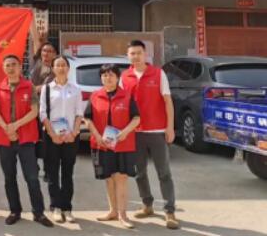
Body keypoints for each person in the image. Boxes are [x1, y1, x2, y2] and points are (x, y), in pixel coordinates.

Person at [121, 40, 179, 230]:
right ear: (128, 56)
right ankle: (147, 205)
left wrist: (170, 128)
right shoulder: (125, 77)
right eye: (132, 53)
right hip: (135, 133)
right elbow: (123, 106)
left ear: (145, 54)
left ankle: (170, 211)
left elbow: (168, 102)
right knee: (139, 173)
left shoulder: (158, 74)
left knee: (164, 173)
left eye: (139, 53)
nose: (136, 56)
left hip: (157, 131)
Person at [0, 55, 53, 227]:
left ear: (20, 67)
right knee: (9, 177)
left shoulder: (29, 87)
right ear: (3, 68)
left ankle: (38, 213)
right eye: (8, 65)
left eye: (14, 65)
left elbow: (34, 111)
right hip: (5, 139)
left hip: (26, 139)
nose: (11, 68)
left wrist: (15, 126)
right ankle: (15, 211)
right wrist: (7, 128)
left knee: (32, 177)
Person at [85, 64, 140, 229]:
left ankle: (123, 214)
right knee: (108, 178)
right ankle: (112, 211)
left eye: (111, 75)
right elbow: (87, 118)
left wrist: (125, 132)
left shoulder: (127, 96)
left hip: (123, 144)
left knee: (121, 178)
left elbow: (136, 118)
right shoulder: (95, 96)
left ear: (117, 77)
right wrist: (96, 135)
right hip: (102, 144)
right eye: (104, 75)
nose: (107, 78)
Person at [39, 55, 83, 224]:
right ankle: (55, 207)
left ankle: (67, 208)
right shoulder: (47, 89)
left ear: (68, 68)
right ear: (53, 68)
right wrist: (52, 134)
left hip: (71, 137)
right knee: (52, 173)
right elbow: (43, 113)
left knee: (67, 173)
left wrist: (74, 133)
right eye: (57, 65)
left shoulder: (75, 89)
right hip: (52, 136)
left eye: (64, 65)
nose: (61, 68)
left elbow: (79, 113)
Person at [29, 42, 58, 182]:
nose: (46, 53)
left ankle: (48, 171)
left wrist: (34, 88)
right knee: (32, 140)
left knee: (48, 142)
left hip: (48, 110)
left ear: (55, 54)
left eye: (50, 51)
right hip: (32, 109)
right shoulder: (36, 64)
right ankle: (34, 168)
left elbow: (49, 86)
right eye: (44, 50)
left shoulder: (57, 68)